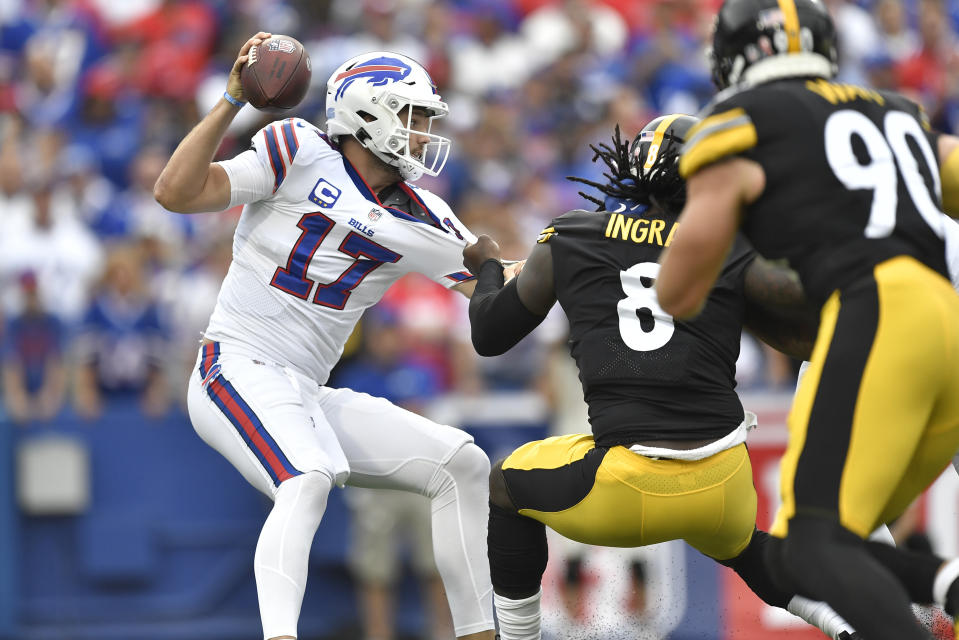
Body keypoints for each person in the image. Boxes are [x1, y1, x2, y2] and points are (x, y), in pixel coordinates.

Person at [153, 34, 494, 640]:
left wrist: (570, 259)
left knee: (462, 464)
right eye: (413, 117)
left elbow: (502, 293)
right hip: (234, 363)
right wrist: (233, 99)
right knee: (305, 479)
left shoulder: (427, 218)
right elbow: (176, 192)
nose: (422, 134)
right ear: (370, 114)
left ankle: (478, 633)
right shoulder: (296, 148)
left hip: (308, 390)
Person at [462, 116, 856, 640]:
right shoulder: (724, 249)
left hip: (625, 486)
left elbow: (489, 334)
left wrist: (489, 265)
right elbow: (806, 336)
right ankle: (846, 624)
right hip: (723, 483)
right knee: (740, 544)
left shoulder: (573, 235)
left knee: (503, 485)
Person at [655, 1, 959, 639]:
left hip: (881, 311)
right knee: (825, 542)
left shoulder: (737, 122)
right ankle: (944, 588)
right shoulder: (893, 111)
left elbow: (678, 292)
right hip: (944, 315)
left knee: (811, 546)